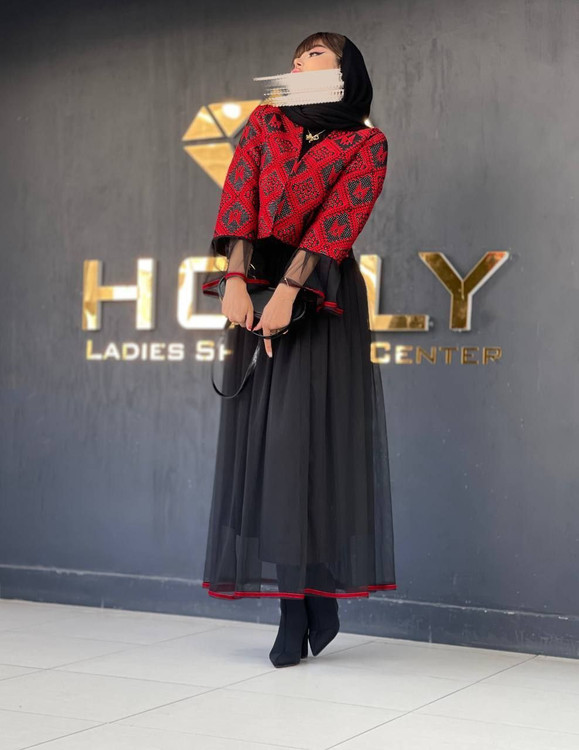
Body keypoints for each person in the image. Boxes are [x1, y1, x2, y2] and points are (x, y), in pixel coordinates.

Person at [201, 32, 396, 668]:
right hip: (257, 284)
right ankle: (297, 601)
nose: (298, 61)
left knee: (309, 445)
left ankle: (317, 592)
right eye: (297, 56)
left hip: (321, 293)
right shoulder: (266, 121)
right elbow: (240, 194)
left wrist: (288, 293)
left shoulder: (366, 143)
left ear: (343, 71)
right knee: (269, 446)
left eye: (315, 55)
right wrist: (235, 278)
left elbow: (338, 221)